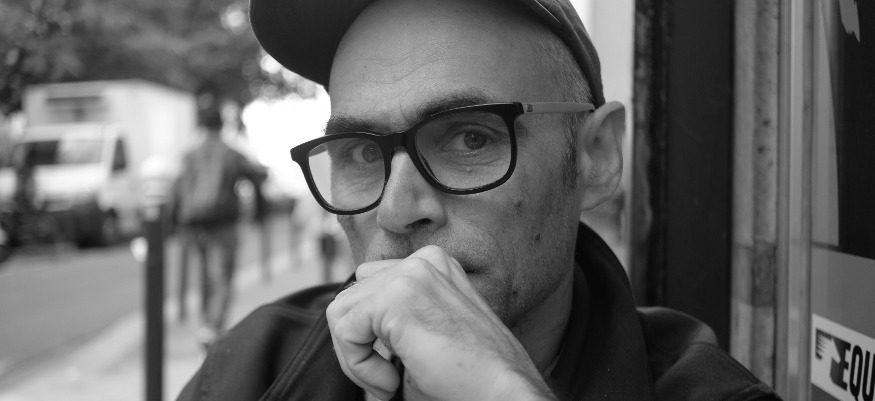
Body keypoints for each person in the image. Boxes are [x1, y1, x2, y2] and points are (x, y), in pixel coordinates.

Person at [178, 0, 782, 399]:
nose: (396, 210)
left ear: (595, 156)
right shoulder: (250, 371)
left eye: (471, 138)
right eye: (361, 153)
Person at [170, 101, 266, 347]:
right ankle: (214, 328)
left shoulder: (190, 154)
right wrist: (259, 212)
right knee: (222, 276)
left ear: (201, 125)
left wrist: (175, 223)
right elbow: (255, 179)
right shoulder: (232, 153)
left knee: (203, 275)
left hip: (194, 224)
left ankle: (205, 325)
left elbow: (177, 188)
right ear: (222, 125)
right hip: (223, 224)